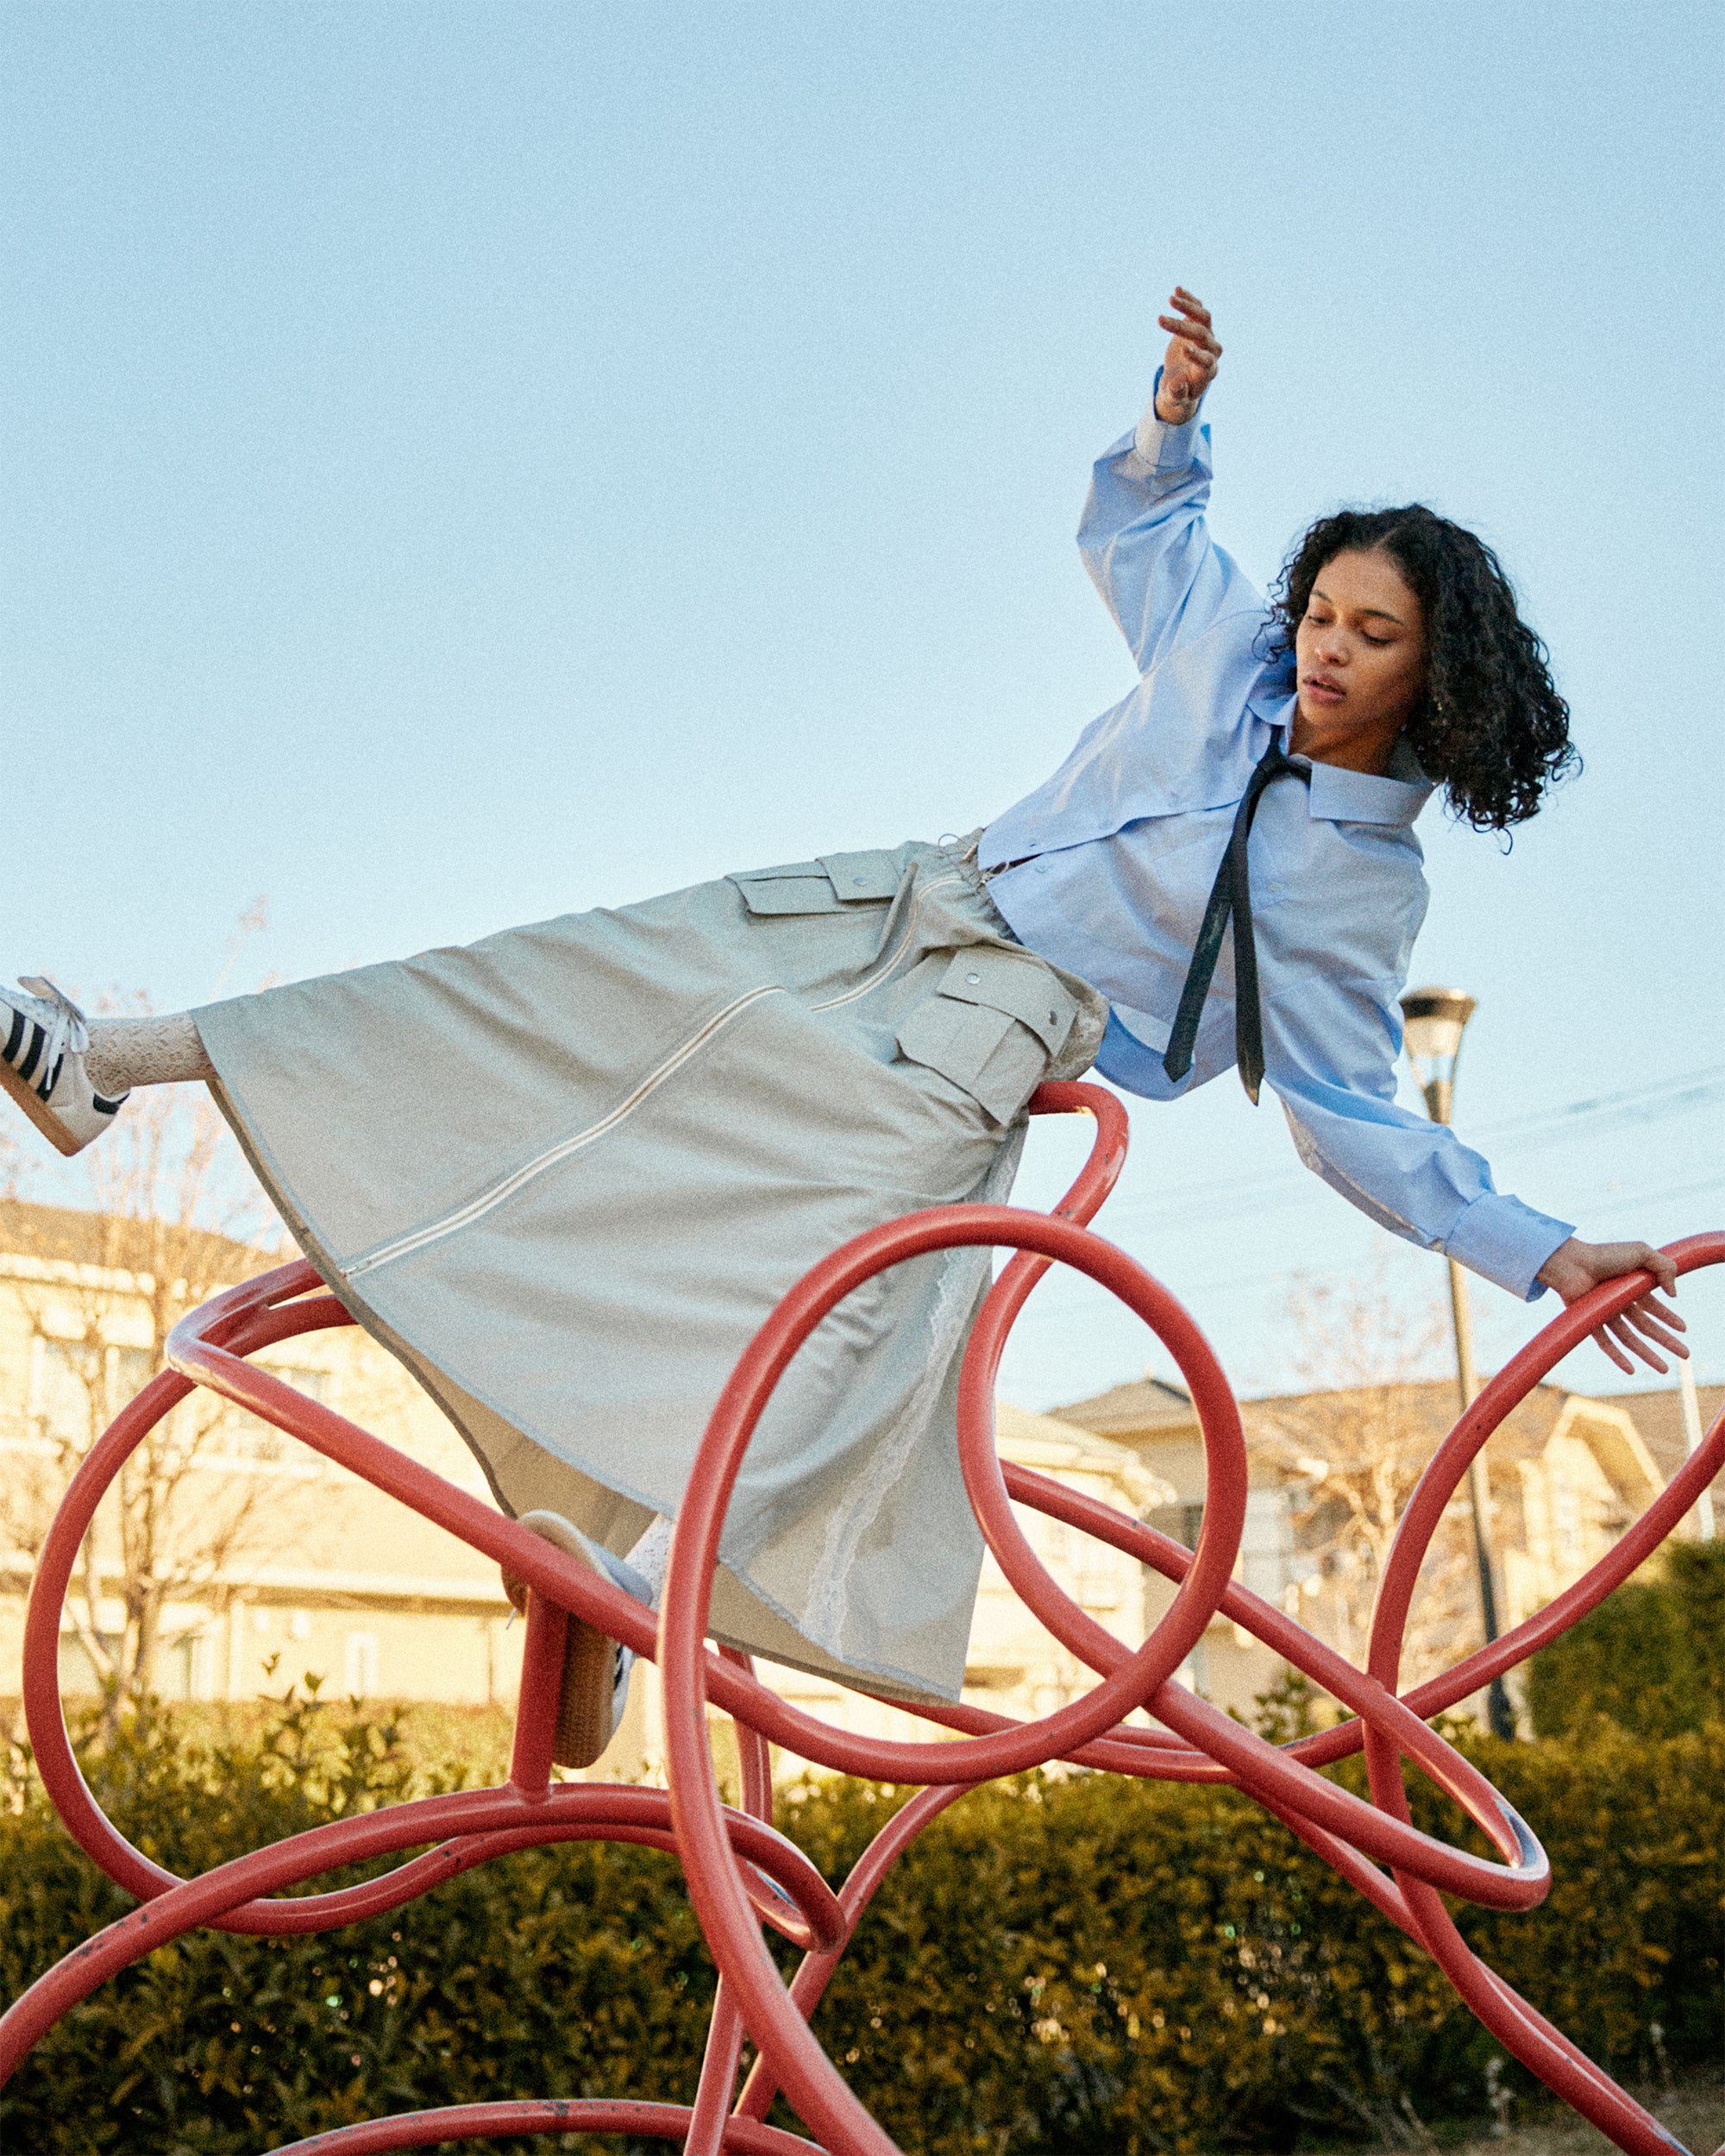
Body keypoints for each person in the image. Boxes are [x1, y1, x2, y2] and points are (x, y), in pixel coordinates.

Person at [1, 288, 1684, 1763]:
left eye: (1367, 636)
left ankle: (647, 1584)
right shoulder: (1232, 658)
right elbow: (1144, 544)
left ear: (1430, 675)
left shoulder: (1351, 893)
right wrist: (1174, 422)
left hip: (994, 1025)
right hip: (892, 897)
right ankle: (107, 1062)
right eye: (1321, 610)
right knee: (548, 977)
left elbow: (1350, 1109)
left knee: (846, 1316)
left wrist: (1535, 1250)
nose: (1322, 649)